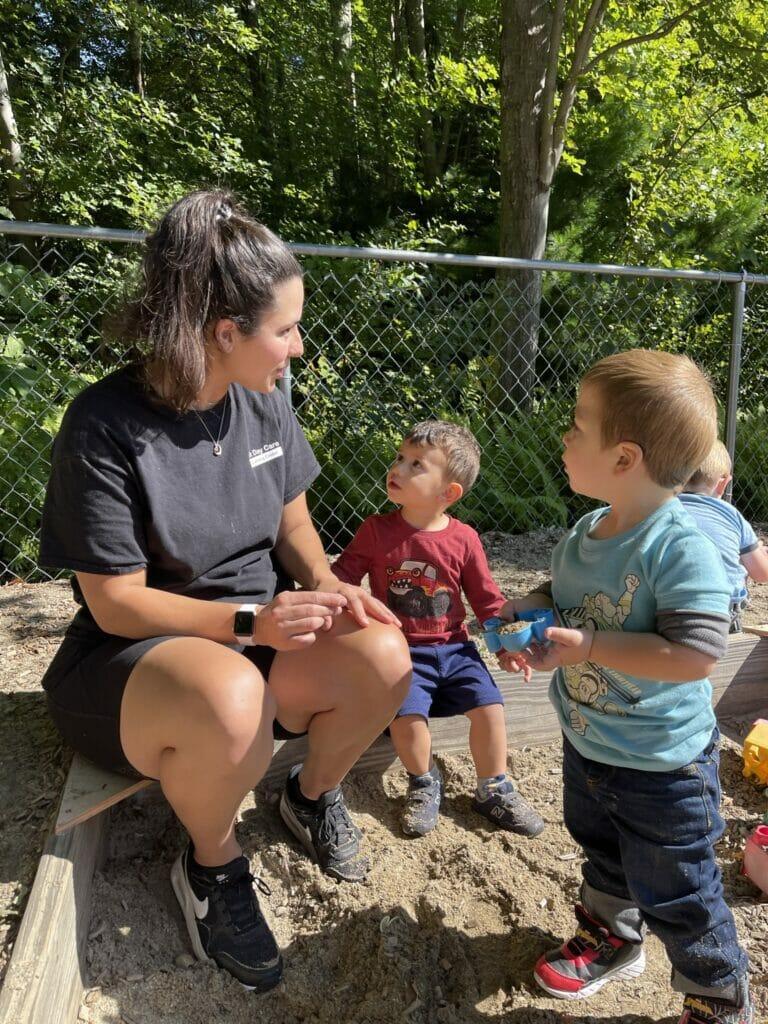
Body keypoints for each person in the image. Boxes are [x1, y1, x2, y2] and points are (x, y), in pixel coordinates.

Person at [38, 190, 411, 994]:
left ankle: (308, 798)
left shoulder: (264, 402)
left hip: (255, 639)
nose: (299, 347)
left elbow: (293, 526)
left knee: (383, 652)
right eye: (286, 329)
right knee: (235, 696)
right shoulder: (104, 424)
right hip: (138, 663)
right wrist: (251, 623)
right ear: (225, 332)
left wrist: (329, 587)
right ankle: (211, 864)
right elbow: (115, 604)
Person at [501, 351, 752, 1024]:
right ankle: (613, 938)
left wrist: (588, 646)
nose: (565, 436)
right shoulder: (588, 531)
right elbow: (563, 594)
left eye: (578, 425)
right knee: (603, 852)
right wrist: (529, 613)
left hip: (662, 767)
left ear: (623, 458)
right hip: (590, 741)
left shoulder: (680, 548)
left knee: (680, 889)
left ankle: (718, 995)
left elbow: (696, 654)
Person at [332, 420, 544, 838]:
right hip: (401, 652)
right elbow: (341, 578)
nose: (398, 468)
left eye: (416, 464)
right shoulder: (377, 531)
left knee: (490, 709)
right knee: (406, 717)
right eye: (400, 458)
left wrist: (505, 645)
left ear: (448, 493)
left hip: (456, 649)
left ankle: (494, 788)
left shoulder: (464, 539)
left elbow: (486, 600)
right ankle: (424, 781)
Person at [678, 439, 768, 632]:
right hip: (720, 614)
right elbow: (762, 574)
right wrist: (758, 553)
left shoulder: (660, 509)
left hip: (669, 607)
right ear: (723, 483)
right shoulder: (731, 514)